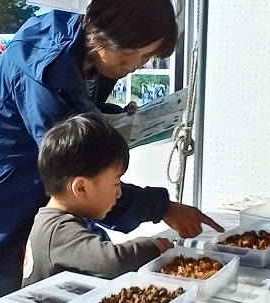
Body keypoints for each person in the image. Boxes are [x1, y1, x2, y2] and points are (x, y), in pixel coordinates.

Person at [0, 0, 222, 303]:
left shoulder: (86, 56)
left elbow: (76, 125)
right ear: (105, 32)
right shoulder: (46, 69)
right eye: (133, 55)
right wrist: (161, 207)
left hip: (19, 201)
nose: (135, 66)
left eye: (145, 59)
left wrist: (111, 115)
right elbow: (79, 171)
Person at [22, 114, 173, 287]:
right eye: (116, 183)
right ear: (81, 188)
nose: (119, 194)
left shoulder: (54, 221)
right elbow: (112, 262)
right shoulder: (59, 230)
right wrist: (154, 246)